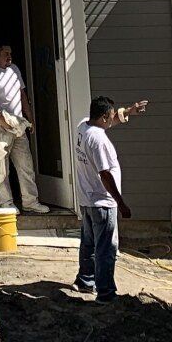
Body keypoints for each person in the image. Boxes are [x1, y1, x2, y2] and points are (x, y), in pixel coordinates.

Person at [73, 96, 146, 295]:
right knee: (106, 249)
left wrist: (128, 112)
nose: (113, 118)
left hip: (86, 199)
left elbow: (108, 123)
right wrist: (120, 203)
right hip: (102, 202)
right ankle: (105, 292)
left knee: (88, 243)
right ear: (104, 116)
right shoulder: (99, 140)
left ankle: (85, 281)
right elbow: (105, 174)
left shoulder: (83, 126)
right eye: (111, 115)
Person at [0, 43, 48, 212]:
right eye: (5, 53)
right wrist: (3, 122)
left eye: (10, 53)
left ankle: (30, 202)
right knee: (1, 166)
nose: (9, 56)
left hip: (18, 125)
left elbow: (22, 95)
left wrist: (30, 119)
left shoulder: (14, 70)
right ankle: (6, 203)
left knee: (26, 165)